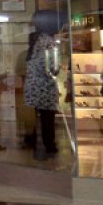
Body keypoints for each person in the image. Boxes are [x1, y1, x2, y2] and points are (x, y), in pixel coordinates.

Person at [24, 9, 66, 159]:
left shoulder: (36, 39)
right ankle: (49, 144)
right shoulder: (48, 42)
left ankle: (35, 140)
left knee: (39, 116)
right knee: (48, 117)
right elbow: (51, 67)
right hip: (44, 86)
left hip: (34, 86)